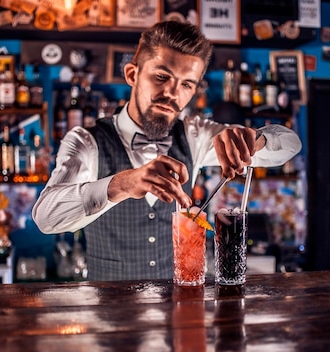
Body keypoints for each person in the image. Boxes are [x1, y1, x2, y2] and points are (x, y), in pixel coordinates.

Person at [32, 20, 302, 281]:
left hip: (179, 314)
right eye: (162, 77)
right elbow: (46, 218)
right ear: (132, 74)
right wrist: (124, 184)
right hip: (108, 316)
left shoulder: (196, 135)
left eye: (186, 84)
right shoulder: (85, 140)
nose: (173, 93)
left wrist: (255, 141)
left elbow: (291, 144)